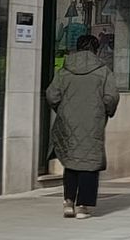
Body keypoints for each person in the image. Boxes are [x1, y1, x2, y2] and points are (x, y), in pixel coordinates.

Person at [45, 34, 119, 219]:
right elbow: (111, 97)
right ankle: (83, 206)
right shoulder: (104, 71)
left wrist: (62, 110)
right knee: (89, 163)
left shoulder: (64, 70)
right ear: (96, 49)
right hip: (93, 121)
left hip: (67, 121)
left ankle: (68, 201)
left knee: (71, 161)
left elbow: (52, 95)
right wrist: (105, 112)